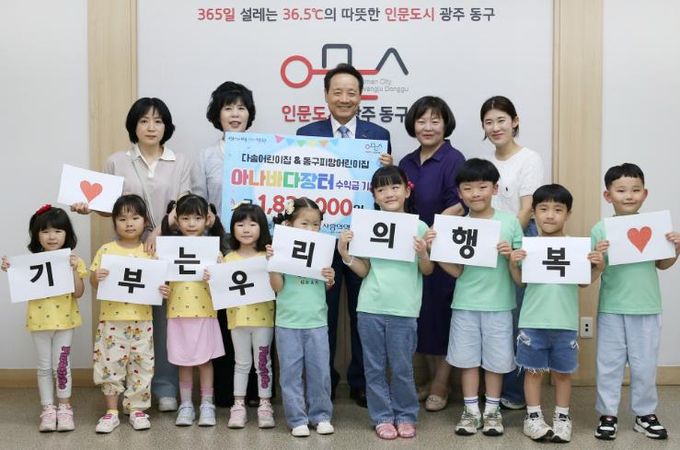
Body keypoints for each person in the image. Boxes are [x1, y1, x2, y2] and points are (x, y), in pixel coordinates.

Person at [73, 97, 192, 412]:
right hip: (126, 250)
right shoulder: (117, 161)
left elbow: (184, 204)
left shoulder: (180, 161)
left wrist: (159, 230)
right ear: (133, 126)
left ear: (166, 126)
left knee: (163, 320)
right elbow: (109, 208)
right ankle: (126, 389)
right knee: (128, 318)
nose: (151, 127)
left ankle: (165, 388)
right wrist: (88, 206)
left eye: (158, 121)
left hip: (165, 247)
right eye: (144, 121)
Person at [296, 63, 392, 407]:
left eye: (351, 92)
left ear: (361, 96)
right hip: (319, 239)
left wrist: (387, 167)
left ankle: (362, 381)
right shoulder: (307, 132)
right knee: (322, 313)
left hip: (362, 238)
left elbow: (385, 188)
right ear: (326, 95)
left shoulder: (377, 135)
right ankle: (323, 381)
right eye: (337, 92)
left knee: (362, 313)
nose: (344, 98)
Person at [337, 166, 434, 440]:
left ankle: (406, 415)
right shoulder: (367, 224)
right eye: (381, 189)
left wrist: (423, 253)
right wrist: (345, 254)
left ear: (407, 191)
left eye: (395, 187)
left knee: (402, 367)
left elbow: (427, 271)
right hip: (370, 307)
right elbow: (364, 270)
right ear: (374, 196)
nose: (389, 193)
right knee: (374, 367)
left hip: (404, 309)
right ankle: (381, 416)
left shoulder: (419, 227)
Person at [508, 184, 605, 442]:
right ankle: (533, 417)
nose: (550, 215)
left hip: (565, 322)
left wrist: (598, 267)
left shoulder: (576, 247)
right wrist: (513, 263)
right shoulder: (529, 246)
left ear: (568, 214)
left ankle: (562, 417)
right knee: (533, 371)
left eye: (558, 210)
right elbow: (521, 283)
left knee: (563, 373)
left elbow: (583, 283)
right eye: (543, 209)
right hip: (532, 320)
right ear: (534, 213)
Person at [591, 163, 680, 440]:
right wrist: (598, 257)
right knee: (609, 364)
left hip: (647, 307)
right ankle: (608, 414)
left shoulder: (654, 227)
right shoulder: (600, 229)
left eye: (635, 190)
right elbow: (594, 271)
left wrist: (675, 249)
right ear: (608, 196)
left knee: (645, 365)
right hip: (612, 308)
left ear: (645, 193)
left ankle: (645, 414)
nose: (628, 196)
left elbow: (662, 264)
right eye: (621, 190)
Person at [437, 158, 523, 437]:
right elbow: (458, 272)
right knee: (467, 360)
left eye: (483, 187)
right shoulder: (458, 226)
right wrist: (436, 253)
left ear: (495, 189)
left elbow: (520, 273)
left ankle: (493, 411)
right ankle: (471, 411)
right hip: (465, 304)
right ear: (460, 193)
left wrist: (511, 256)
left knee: (497, 361)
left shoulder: (509, 222)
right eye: (468, 188)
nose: (476, 193)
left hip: (500, 305)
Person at [192, 81, 261, 408]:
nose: (235, 114)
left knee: (257, 316)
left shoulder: (265, 151)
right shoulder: (206, 157)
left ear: (249, 113)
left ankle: (258, 392)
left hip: (257, 250)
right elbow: (198, 202)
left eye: (241, 108)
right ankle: (224, 391)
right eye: (228, 108)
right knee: (224, 320)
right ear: (217, 115)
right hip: (221, 248)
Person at [399, 96, 465, 411]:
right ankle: (427, 379)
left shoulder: (454, 158)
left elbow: (461, 202)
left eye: (435, 120)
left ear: (445, 124)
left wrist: (433, 230)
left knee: (443, 316)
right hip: (413, 249)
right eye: (421, 120)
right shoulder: (406, 162)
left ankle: (441, 383)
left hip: (443, 248)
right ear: (413, 124)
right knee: (421, 314)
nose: (428, 127)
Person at [481, 95, 544, 410]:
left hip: (518, 240)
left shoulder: (529, 158)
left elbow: (528, 207)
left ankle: (515, 392)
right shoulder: (484, 162)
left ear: (515, 121)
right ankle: (493, 387)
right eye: (489, 122)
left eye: (501, 120)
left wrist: (507, 240)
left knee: (518, 315)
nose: (495, 127)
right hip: (487, 242)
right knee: (494, 314)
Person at [1, 206, 86, 432]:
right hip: (39, 323)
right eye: (45, 231)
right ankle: (48, 409)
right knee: (43, 367)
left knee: (62, 366)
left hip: (65, 322)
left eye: (58, 231)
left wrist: (74, 270)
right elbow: (18, 276)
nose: (51, 236)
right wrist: (10, 268)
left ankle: (64, 407)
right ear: (36, 235)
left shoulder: (73, 260)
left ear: (67, 234)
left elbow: (79, 292)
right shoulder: (31, 262)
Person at [90, 194, 165, 433]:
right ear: (114, 222)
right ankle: (111, 411)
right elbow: (94, 282)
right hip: (112, 320)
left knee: (142, 364)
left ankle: (137, 409)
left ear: (145, 222)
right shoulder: (106, 250)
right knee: (109, 363)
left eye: (135, 218)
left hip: (142, 320)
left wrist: (164, 290)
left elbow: (161, 284)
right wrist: (97, 277)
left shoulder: (150, 252)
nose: (129, 223)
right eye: (122, 219)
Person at [266, 197, 336, 437]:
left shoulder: (322, 250)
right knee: (290, 373)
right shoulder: (282, 250)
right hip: (287, 323)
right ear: (289, 224)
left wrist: (330, 278)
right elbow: (277, 287)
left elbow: (326, 286)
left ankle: (321, 415)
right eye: (304, 223)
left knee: (320, 372)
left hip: (317, 322)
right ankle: (297, 419)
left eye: (315, 224)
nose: (310, 229)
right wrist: (273, 264)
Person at [159, 194, 226, 427]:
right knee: (183, 361)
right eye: (185, 218)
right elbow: (159, 277)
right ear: (176, 220)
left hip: (205, 312)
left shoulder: (214, 250)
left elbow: (224, 283)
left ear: (207, 220)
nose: (191, 223)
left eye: (197, 218)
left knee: (205, 361)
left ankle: (207, 403)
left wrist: (215, 274)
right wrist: (161, 288)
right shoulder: (168, 248)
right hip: (177, 313)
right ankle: (186, 404)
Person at [211, 203, 275, 429]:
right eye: (240, 224)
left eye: (252, 224)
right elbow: (218, 288)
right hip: (237, 321)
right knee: (241, 363)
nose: (246, 229)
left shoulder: (268, 256)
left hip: (264, 320)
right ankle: (238, 405)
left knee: (263, 364)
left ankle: (265, 404)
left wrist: (273, 262)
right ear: (232, 228)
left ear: (262, 227)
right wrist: (213, 274)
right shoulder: (227, 259)